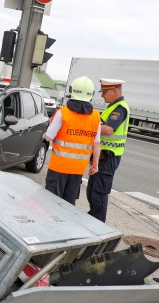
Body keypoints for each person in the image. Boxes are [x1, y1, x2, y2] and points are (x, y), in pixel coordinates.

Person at [43, 76, 101, 206]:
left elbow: (48, 137)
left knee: (51, 204)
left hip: (58, 167)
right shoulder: (96, 116)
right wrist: (95, 164)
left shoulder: (63, 113)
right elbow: (96, 143)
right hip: (78, 170)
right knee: (68, 206)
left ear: (71, 90)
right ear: (91, 94)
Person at [86, 78, 130, 222]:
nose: (102, 95)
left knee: (99, 193)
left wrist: (88, 127)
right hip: (102, 157)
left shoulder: (120, 108)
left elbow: (108, 129)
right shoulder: (112, 106)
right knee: (92, 191)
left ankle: (98, 224)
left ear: (114, 91)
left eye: (104, 92)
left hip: (109, 157)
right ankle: (93, 218)